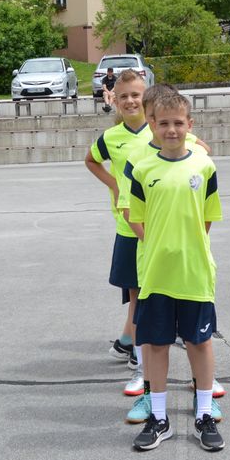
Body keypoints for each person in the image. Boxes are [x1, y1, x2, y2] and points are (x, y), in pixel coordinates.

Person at [119, 84, 221, 425]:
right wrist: (159, 243)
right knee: (155, 340)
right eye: (160, 121)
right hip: (155, 266)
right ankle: (153, 402)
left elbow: (206, 217)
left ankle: (203, 400)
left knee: (198, 339)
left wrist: (186, 242)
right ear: (150, 121)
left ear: (189, 124)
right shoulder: (140, 163)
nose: (170, 129)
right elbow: (132, 213)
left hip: (192, 267)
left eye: (177, 122)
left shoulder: (202, 162)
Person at [84, 69, 150, 383]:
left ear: (146, 96)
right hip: (128, 224)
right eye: (123, 96)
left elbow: (195, 147)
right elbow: (90, 160)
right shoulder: (112, 137)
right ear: (115, 100)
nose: (130, 101)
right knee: (137, 290)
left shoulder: (159, 130)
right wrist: (113, 184)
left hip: (158, 222)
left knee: (150, 289)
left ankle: (128, 340)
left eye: (136, 94)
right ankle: (137, 348)